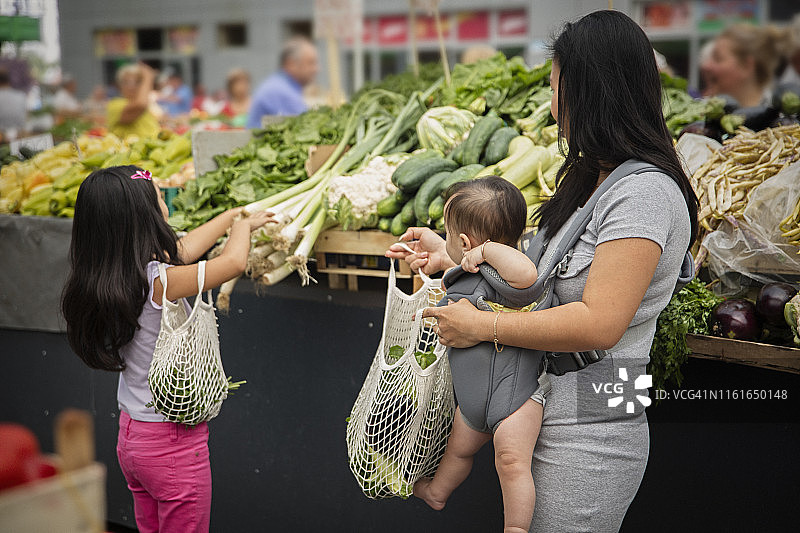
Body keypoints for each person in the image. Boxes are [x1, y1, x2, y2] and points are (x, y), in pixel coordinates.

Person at [387, 10, 698, 532]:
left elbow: (601, 324)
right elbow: (533, 281)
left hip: (595, 425)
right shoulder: (592, 180)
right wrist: (453, 254)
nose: (553, 109)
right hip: (545, 408)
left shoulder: (645, 193)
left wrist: (481, 326)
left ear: (589, 94)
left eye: (556, 90)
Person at [61, 165, 273, 533]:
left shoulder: (114, 277)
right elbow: (233, 263)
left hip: (133, 437)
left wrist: (231, 217)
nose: (165, 202)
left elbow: (183, 250)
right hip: (172, 443)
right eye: (159, 197)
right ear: (144, 216)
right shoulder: (160, 283)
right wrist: (241, 229)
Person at [412, 176, 545, 533]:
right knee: (457, 451)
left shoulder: (513, 276)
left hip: (515, 400)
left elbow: (527, 273)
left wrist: (486, 252)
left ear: (465, 243)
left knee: (511, 461)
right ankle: (437, 493)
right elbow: (459, 269)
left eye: (447, 233)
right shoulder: (461, 274)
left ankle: (515, 528)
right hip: (471, 404)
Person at [704, 23, 789, 107]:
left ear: (747, 66)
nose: (706, 65)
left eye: (718, 58)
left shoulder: (780, 113)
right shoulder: (702, 110)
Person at [247, 36, 319, 128]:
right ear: (291, 64)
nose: (317, 69)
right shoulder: (280, 92)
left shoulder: (280, 85)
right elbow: (307, 128)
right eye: (311, 63)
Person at [107, 63, 160, 139]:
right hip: (133, 146)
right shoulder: (115, 104)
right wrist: (148, 77)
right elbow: (140, 105)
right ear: (119, 85)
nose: (131, 86)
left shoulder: (145, 103)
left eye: (137, 82)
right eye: (126, 82)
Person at [0, 67, 27, 139]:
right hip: (19, 137)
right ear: (8, 80)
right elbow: (25, 119)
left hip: (2, 139)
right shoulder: (21, 96)